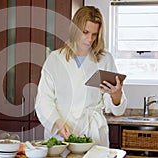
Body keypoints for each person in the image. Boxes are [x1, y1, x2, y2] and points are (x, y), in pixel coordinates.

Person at [34, 6, 127, 147]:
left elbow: (115, 108)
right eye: (85, 32)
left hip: (93, 135)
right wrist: (58, 123)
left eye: (94, 34)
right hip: (61, 135)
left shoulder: (104, 59)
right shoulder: (55, 59)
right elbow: (43, 100)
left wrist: (116, 94)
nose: (90, 39)